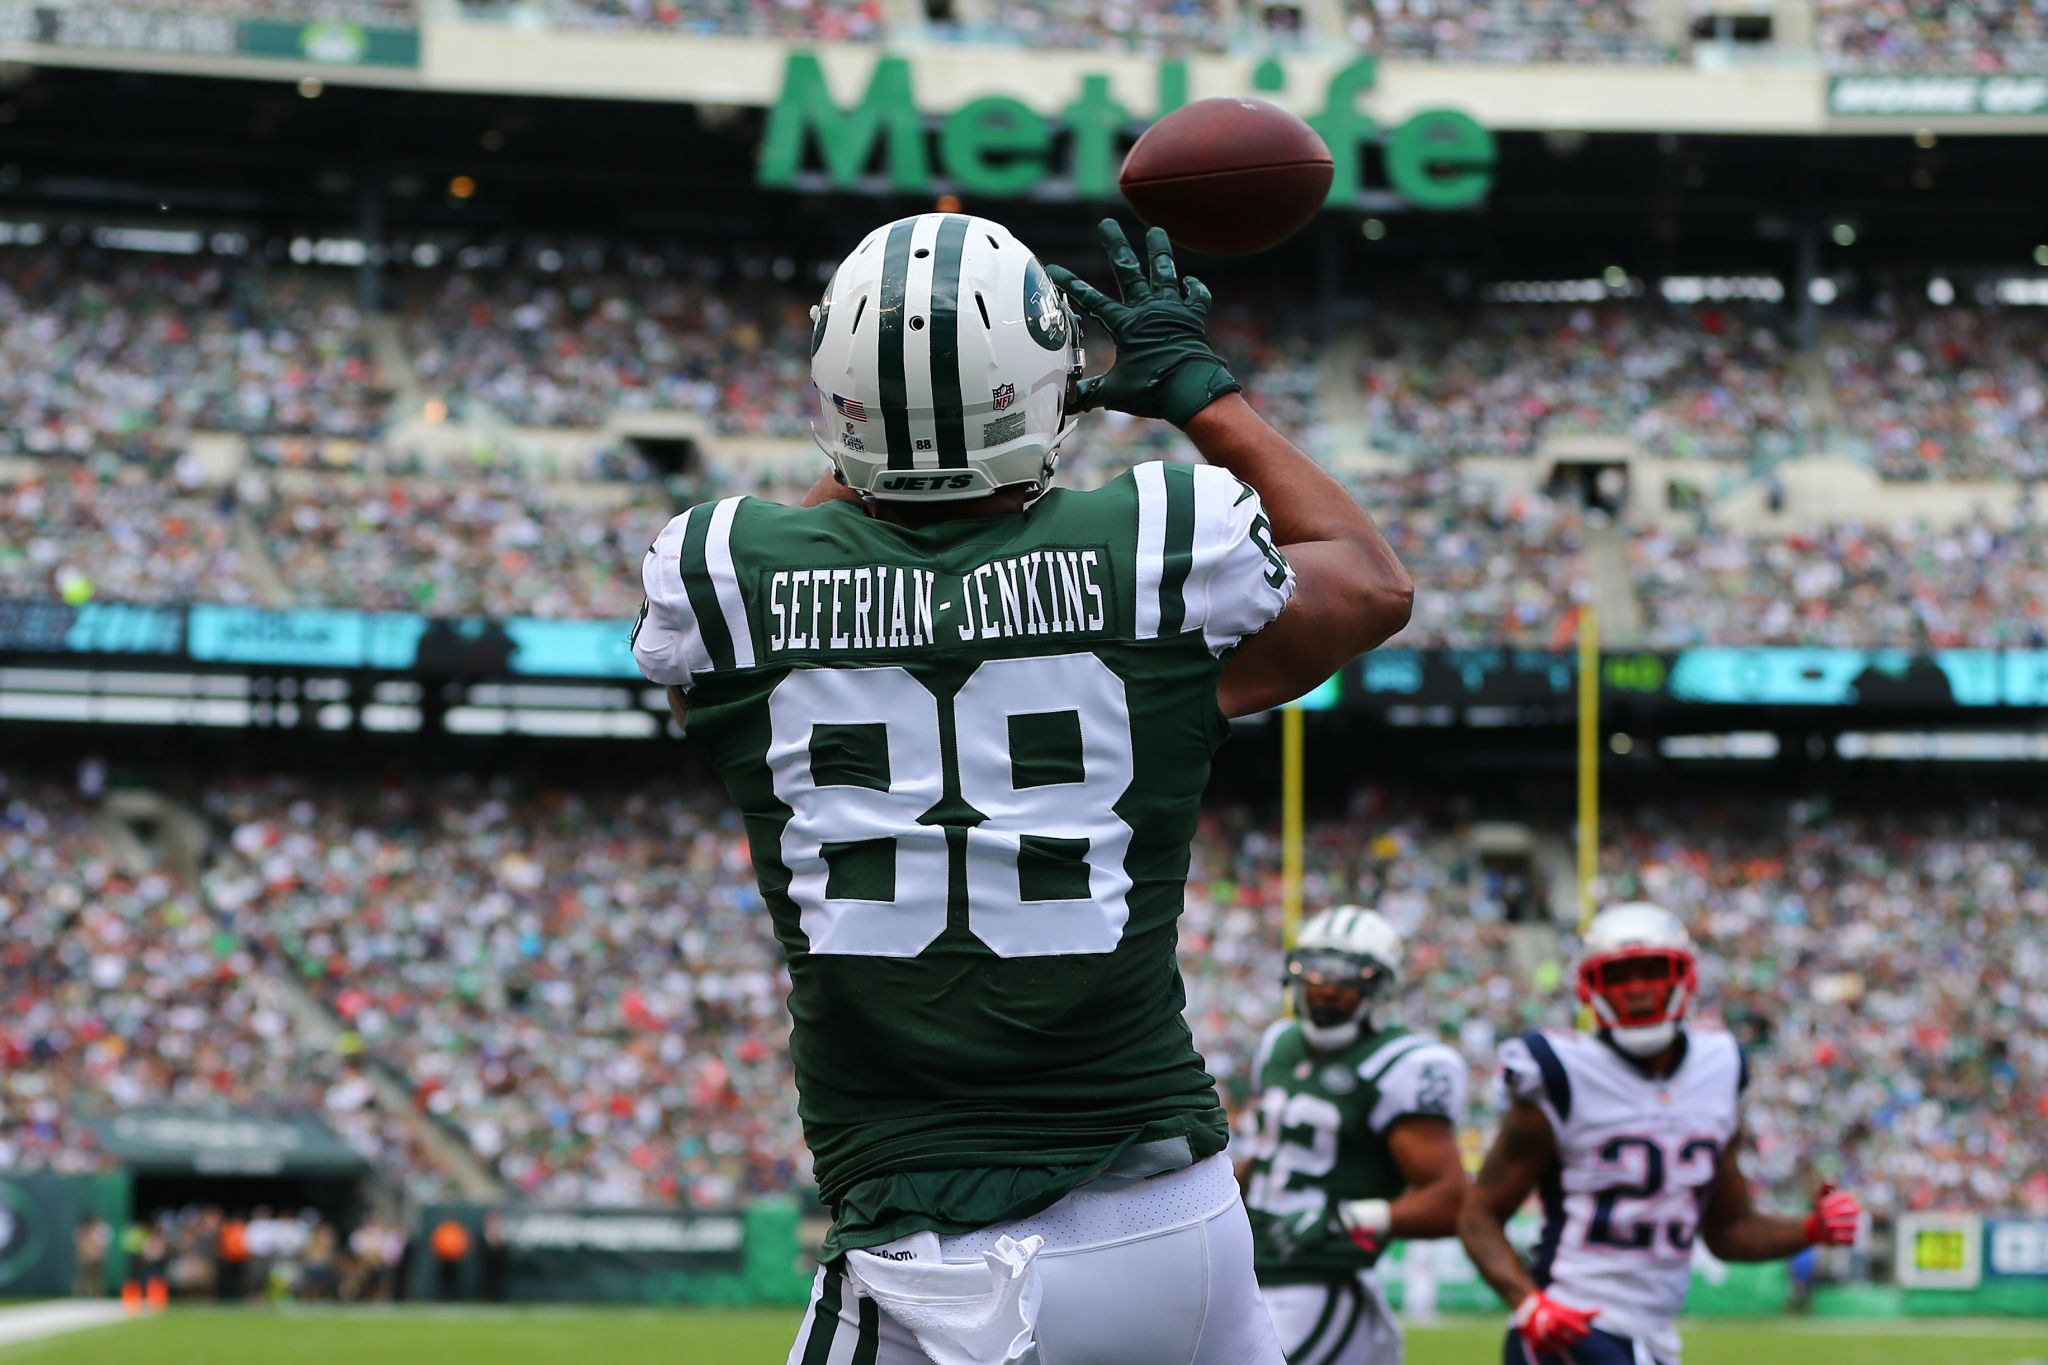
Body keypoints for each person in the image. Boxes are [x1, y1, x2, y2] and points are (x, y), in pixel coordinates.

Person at [633, 214, 1412, 1364]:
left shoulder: (725, 578)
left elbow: (736, 656)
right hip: (1177, 1226)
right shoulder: (1158, 540)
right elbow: (1370, 586)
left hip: (936, 1252)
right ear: (1045, 381)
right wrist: (1203, 393)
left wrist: (889, 423)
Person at [1458, 902, 1863, 1365]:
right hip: (1573, 1326)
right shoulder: (1560, 1071)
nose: (1637, 990)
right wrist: (1530, 1305)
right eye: (1620, 976)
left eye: (1652, 970)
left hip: (1651, 1335)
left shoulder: (1720, 1067)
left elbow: (1730, 1229)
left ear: (1684, 977)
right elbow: (1479, 1213)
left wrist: (1812, 1229)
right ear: (1591, 988)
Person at [1238, 906, 1469, 1364]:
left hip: (1320, 1280)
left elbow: (1452, 1199)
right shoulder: (1278, 1042)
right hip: (1247, 1274)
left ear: (1377, 989)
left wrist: (1347, 1219)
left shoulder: (1407, 1063)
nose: (1322, 993)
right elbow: (1262, 1157)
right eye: (1312, 978)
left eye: (1341, 983)